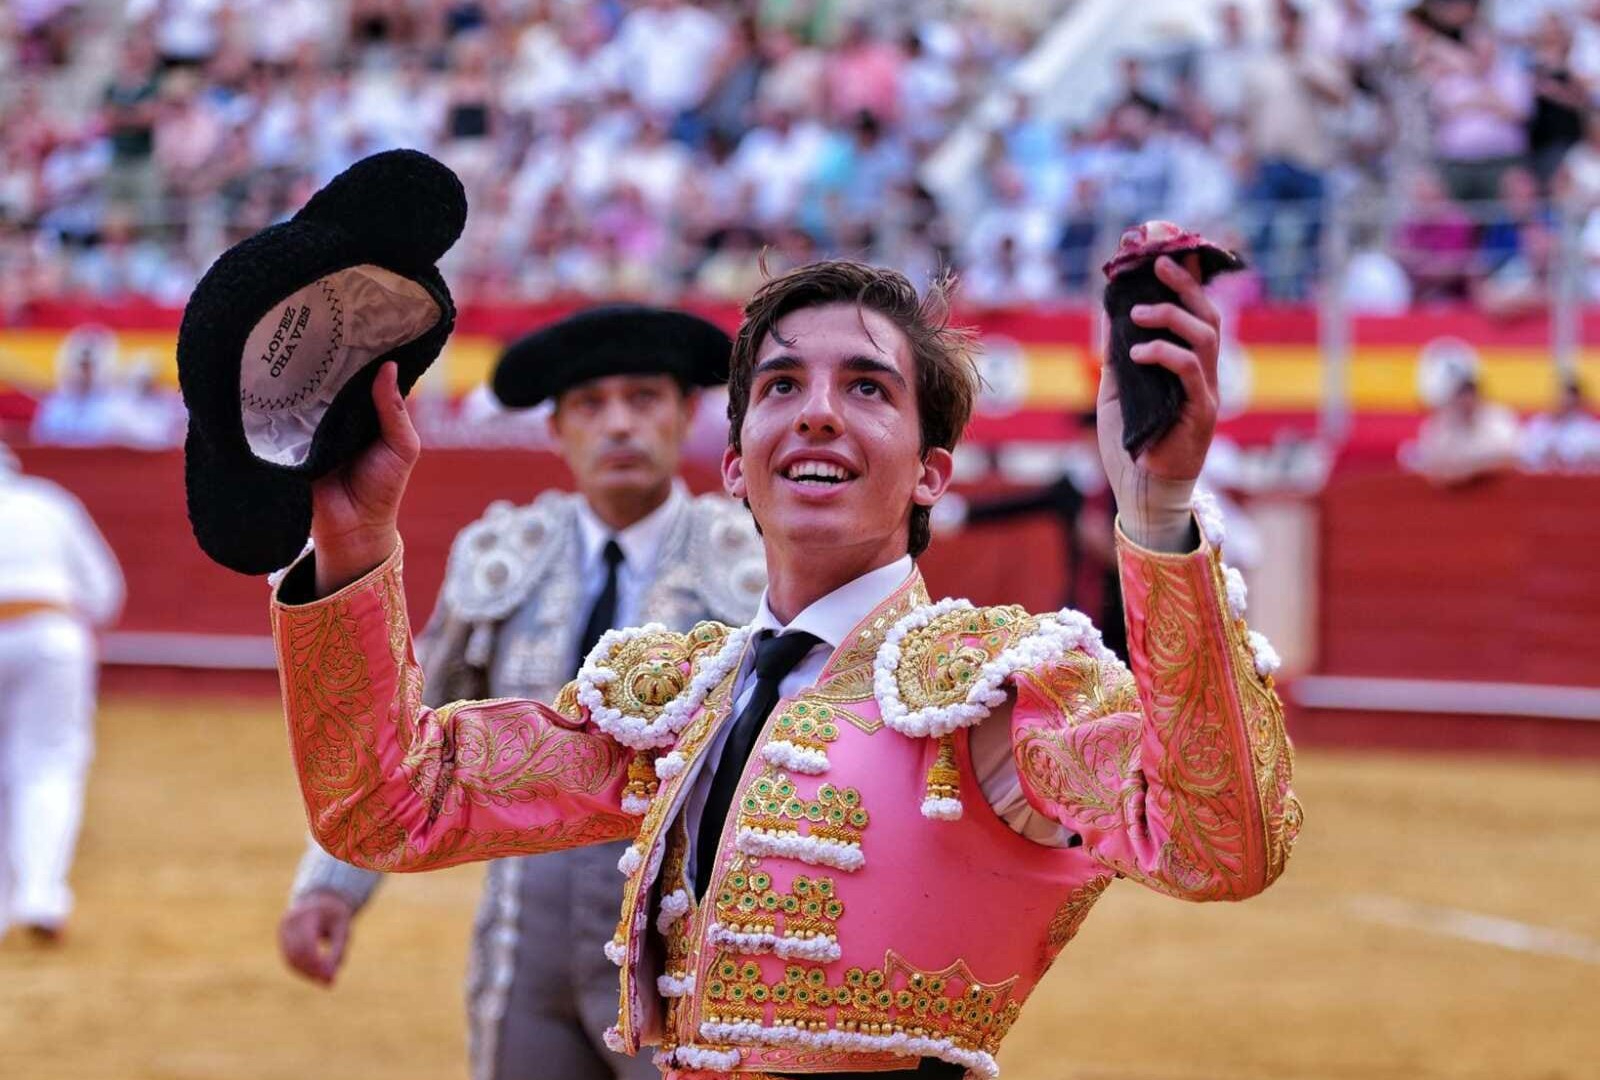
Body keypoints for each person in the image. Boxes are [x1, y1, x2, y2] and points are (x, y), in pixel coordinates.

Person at [268, 258, 1299, 1079]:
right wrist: (354, 547)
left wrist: (1156, 516)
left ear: (931, 471)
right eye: (779, 386)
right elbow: (389, 805)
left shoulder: (994, 692)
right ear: (733, 464)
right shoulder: (673, 706)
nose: (815, 412)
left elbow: (1214, 846)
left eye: (866, 388)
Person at [277, 307, 765, 1080]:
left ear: (688, 415)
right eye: (591, 405)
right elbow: (401, 734)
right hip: (522, 926)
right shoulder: (501, 557)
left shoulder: (753, 565)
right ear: (557, 431)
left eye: (644, 398)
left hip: (693, 928)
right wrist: (332, 886)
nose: (619, 425)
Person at [0, 442, 124, 941]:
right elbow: (102, 592)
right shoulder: (48, 502)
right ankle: (40, 895)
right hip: (52, 636)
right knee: (47, 765)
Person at [1522, 375, 1600, 471]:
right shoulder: (1539, 424)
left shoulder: (1590, 430)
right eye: (1562, 397)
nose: (1565, 402)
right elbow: (1524, 455)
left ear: (1579, 401)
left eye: (1570, 398)